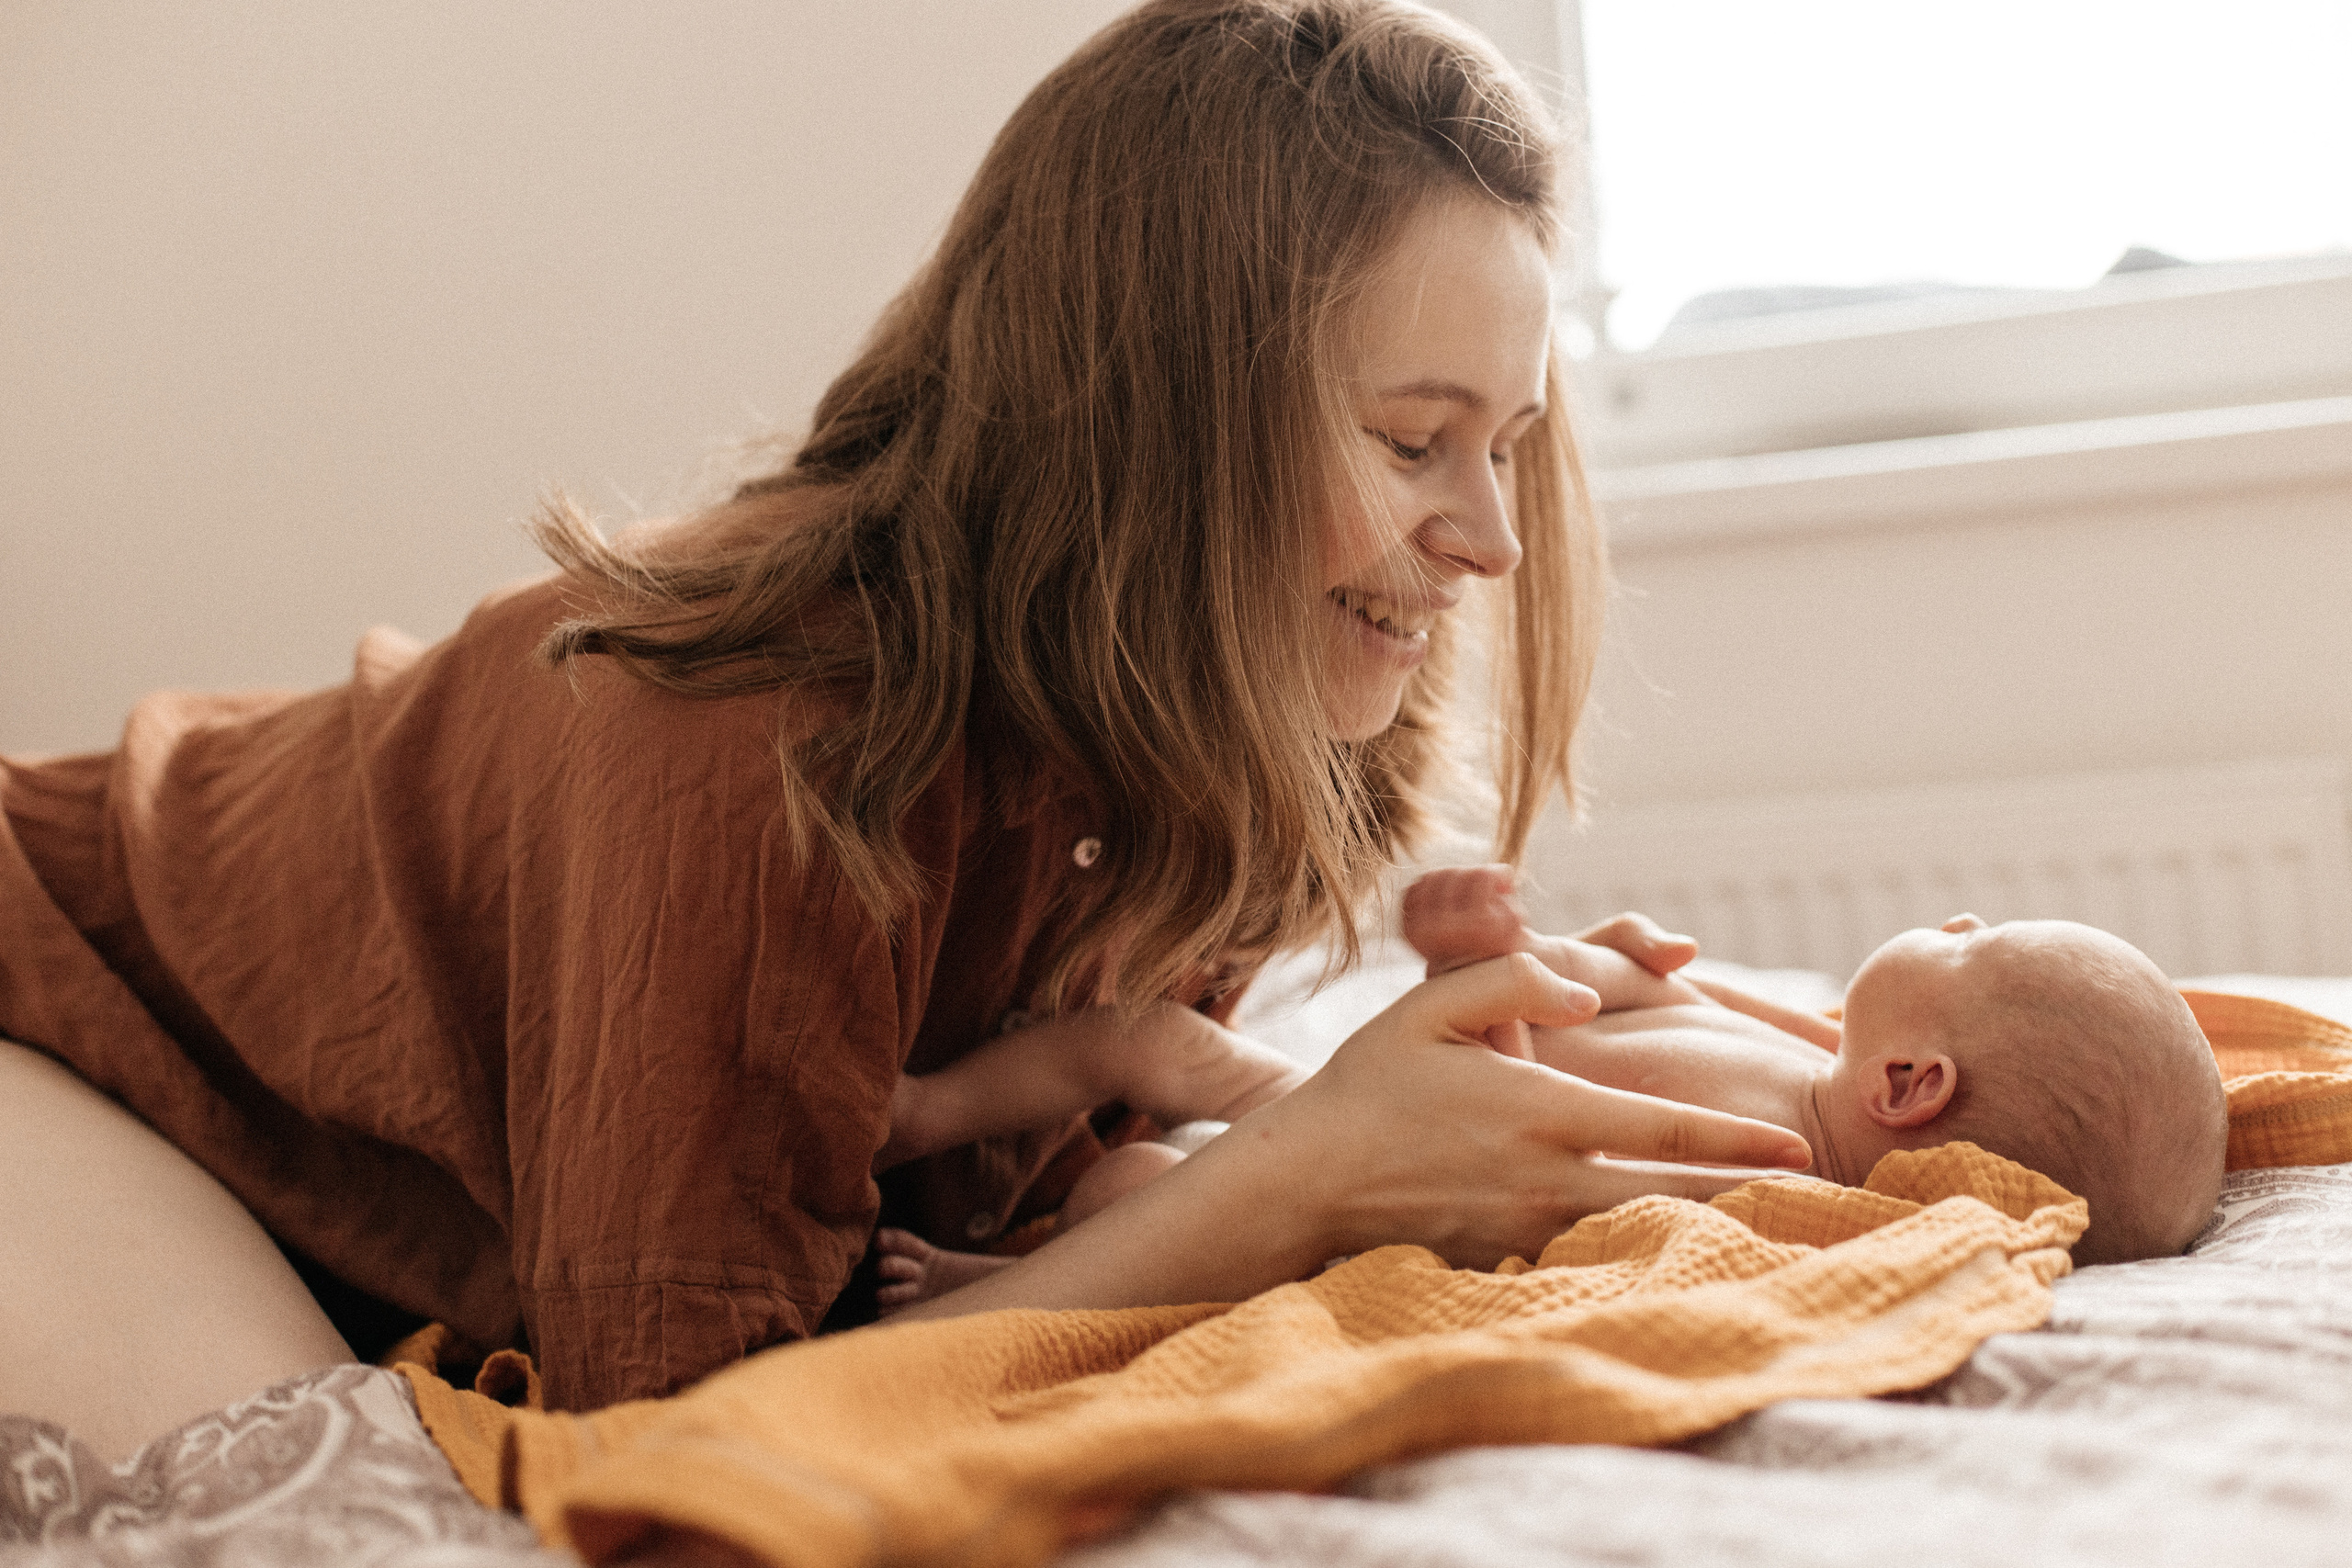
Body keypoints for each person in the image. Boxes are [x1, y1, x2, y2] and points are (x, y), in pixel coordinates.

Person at [0, 0, 1814, 1461]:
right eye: (1413, 438)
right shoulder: (754, 735)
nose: (1488, 540)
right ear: (1153, 419)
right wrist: (1306, 1168)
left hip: (380, 1166)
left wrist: (1346, 1136)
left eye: (1499, 443)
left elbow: (973, 1251)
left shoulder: (1249, 732)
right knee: (294, 1488)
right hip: (69, 1021)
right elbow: (688, 1430)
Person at [874, 867, 2228, 1305]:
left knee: (1135, 1177)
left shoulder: (1762, 1173)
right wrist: (1489, 943)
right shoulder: (1782, 1044)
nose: (1955, 923)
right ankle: (919, 1111)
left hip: (1370, 1167)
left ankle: (975, 1280)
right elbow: (1592, 991)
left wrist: (1485, 1004)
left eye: (1971, 946)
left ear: (1916, 1082)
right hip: (1359, 1093)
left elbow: (1531, 1189)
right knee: (1143, 1042)